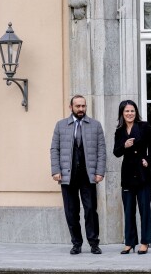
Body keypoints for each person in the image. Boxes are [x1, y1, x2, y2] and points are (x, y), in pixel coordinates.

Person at [50, 95, 106, 255]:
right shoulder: (60, 126)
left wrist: (99, 172)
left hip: (88, 176)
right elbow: (54, 149)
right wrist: (56, 170)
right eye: (78, 106)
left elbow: (101, 150)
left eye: (83, 106)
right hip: (68, 176)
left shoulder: (95, 125)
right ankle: (76, 243)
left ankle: (94, 243)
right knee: (71, 211)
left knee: (90, 210)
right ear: (71, 107)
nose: (81, 109)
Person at [113, 100, 151, 255]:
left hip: (143, 173)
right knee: (129, 210)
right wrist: (124, 146)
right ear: (122, 113)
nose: (130, 114)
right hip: (127, 175)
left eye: (132, 111)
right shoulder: (119, 131)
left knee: (145, 209)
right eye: (126, 111)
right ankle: (129, 242)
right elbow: (116, 152)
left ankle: (145, 242)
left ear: (136, 112)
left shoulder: (144, 126)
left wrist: (148, 159)